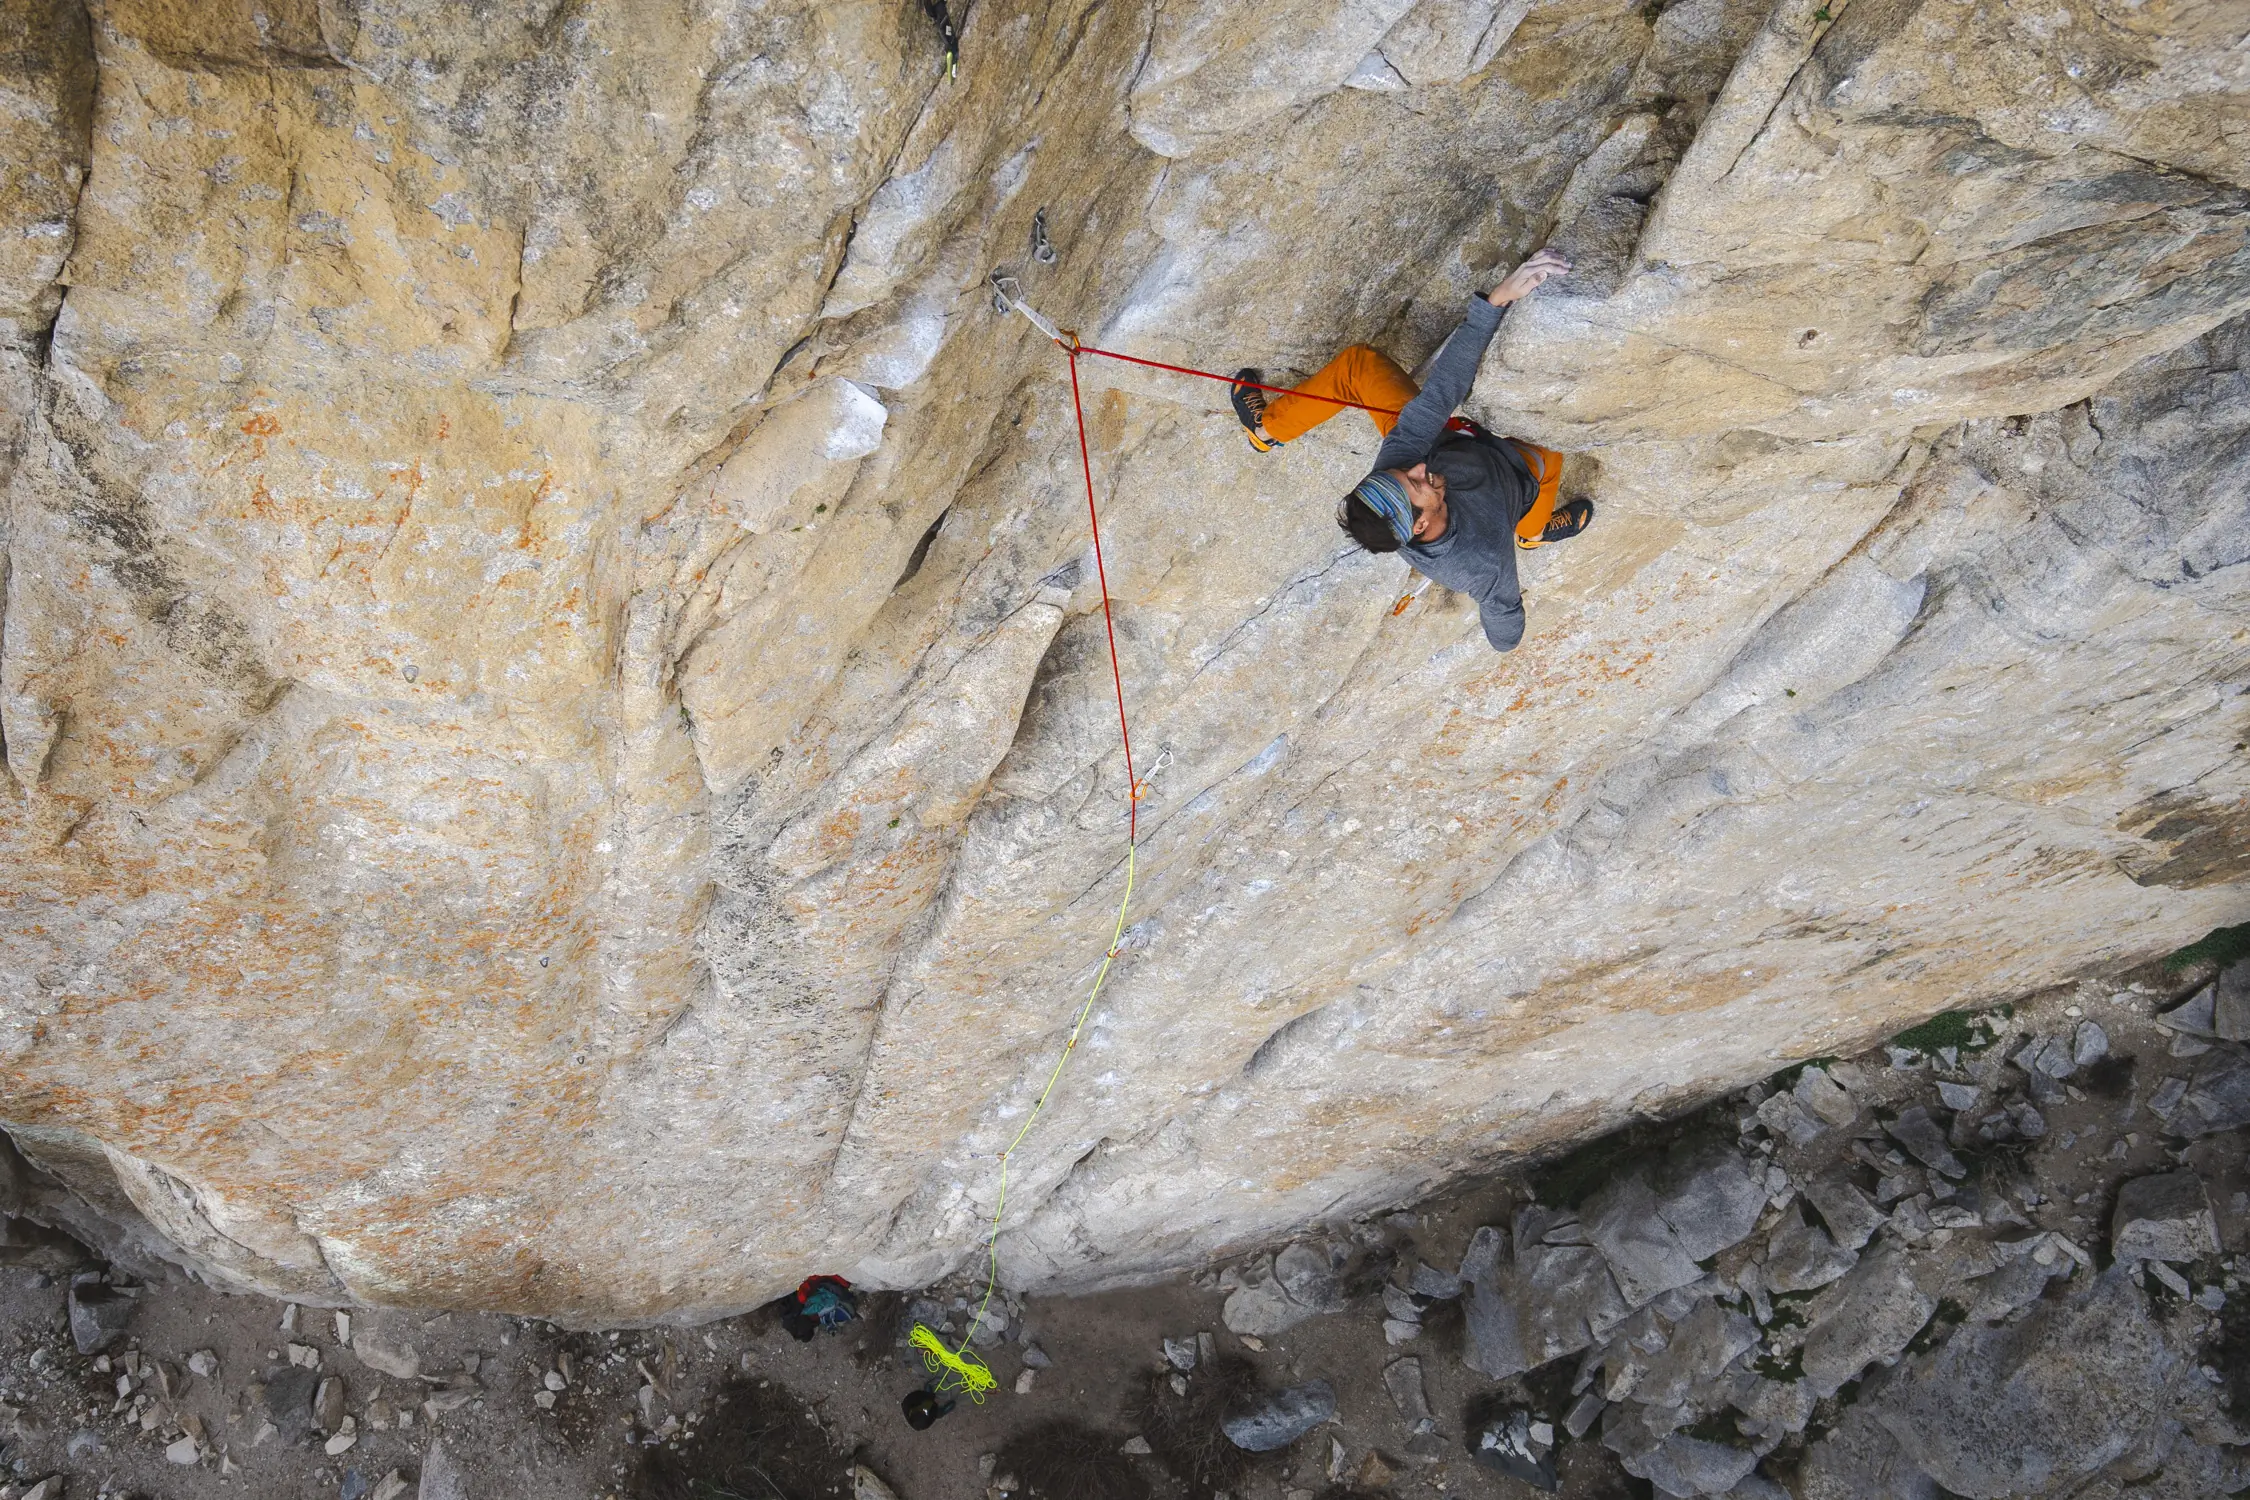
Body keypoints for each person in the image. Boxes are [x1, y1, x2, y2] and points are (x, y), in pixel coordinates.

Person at [1230, 248, 1586, 652]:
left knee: (1357, 369)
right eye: (1416, 482)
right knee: (1550, 456)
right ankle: (1533, 533)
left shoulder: (1399, 469)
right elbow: (1506, 634)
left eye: (1403, 472)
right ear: (1419, 527)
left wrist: (1496, 301)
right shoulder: (1482, 563)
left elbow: (1439, 394)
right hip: (1516, 476)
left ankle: (1266, 429)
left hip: (1452, 439)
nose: (1417, 466)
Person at [779, 1274, 859, 1342]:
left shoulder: (808, 1310)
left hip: (826, 1292)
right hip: (822, 1293)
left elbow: (829, 1301)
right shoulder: (804, 1311)